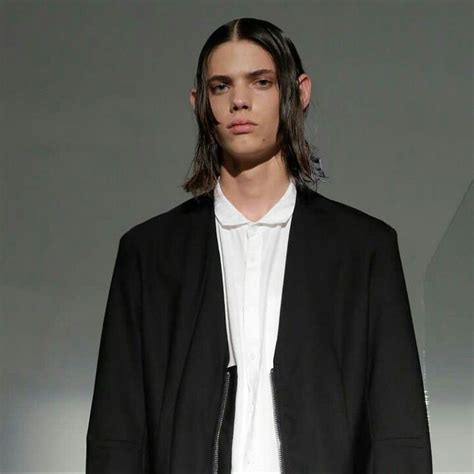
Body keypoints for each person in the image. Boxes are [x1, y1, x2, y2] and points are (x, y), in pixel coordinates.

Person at [86, 17, 433, 474]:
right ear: (199, 103)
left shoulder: (364, 249)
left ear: (299, 91)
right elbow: (116, 433)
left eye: (261, 81)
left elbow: (399, 430)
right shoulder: (149, 254)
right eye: (221, 86)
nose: (240, 100)